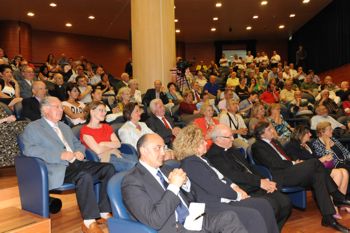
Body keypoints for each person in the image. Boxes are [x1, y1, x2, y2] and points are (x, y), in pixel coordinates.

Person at [21, 96, 115, 233]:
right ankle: (89, 223)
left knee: (108, 168)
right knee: (84, 175)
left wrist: (79, 151)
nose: (61, 110)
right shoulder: (33, 127)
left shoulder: (64, 126)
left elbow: (78, 144)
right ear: (46, 110)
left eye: (61, 107)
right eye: (57, 107)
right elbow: (29, 150)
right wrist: (59, 155)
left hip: (77, 163)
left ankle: (104, 211)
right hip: (57, 167)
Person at [122, 133, 249, 233]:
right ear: (143, 151)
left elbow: (192, 197)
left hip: (193, 219)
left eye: (164, 148)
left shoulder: (165, 169)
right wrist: (173, 186)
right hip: (174, 227)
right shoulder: (132, 181)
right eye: (158, 148)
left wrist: (185, 183)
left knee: (229, 217)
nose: (163, 153)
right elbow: (155, 221)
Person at [173, 125, 279, 233]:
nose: (206, 143)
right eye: (202, 142)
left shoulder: (201, 159)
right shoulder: (191, 163)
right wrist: (238, 195)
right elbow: (215, 186)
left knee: (263, 205)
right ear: (192, 145)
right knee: (253, 214)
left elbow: (222, 177)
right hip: (211, 205)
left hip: (223, 198)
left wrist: (235, 186)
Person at [252, 121, 350, 232]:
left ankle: (328, 218)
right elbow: (273, 164)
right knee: (314, 162)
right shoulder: (257, 146)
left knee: (318, 177)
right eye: (269, 129)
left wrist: (295, 161)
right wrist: (294, 163)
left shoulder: (275, 142)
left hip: (291, 170)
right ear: (262, 134)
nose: (273, 130)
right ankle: (337, 196)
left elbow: (286, 157)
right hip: (281, 176)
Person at [206, 124, 292, 230]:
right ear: (218, 139)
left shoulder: (232, 149)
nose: (233, 139)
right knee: (272, 205)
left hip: (254, 184)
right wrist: (259, 182)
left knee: (285, 202)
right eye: (229, 137)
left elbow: (250, 167)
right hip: (244, 189)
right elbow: (234, 176)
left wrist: (264, 180)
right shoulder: (213, 156)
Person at [285, 125, 350, 219]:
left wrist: (324, 159)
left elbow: (316, 159)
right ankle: (333, 207)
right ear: (301, 134)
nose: (310, 134)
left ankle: (341, 203)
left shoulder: (309, 145)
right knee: (339, 173)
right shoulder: (292, 145)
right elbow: (299, 163)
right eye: (308, 133)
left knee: (344, 172)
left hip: (318, 168)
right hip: (307, 172)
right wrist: (321, 159)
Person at [80, 101, 137, 172]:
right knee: (135, 166)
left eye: (105, 111)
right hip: (103, 160)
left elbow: (118, 144)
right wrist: (111, 147)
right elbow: (98, 150)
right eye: (101, 110)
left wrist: (103, 144)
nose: (104, 113)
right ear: (92, 112)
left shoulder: (106, 127)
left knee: (140, 162)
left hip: (116, 153)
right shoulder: (85, 130)